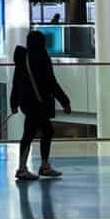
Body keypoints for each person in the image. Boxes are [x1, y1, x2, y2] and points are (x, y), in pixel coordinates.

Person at [10, 30, 71, 180]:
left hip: (27, 102)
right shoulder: (41, 57)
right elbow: (51, 82)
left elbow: (16, 81)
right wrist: (64, 101)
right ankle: (30, 168)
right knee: (43, 131)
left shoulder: (23, 57)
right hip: (39, 103)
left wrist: (14, 101)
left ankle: (31, 166)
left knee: (35, 132)